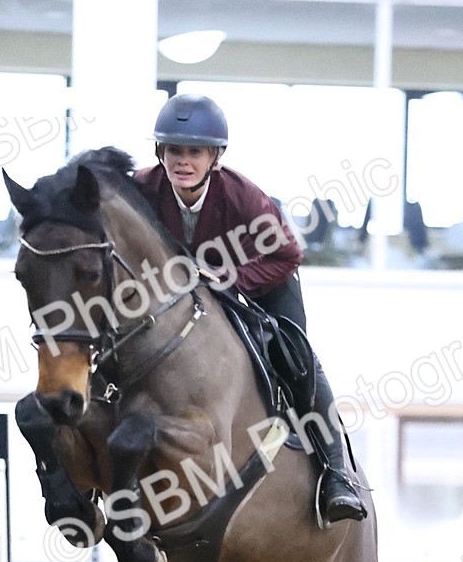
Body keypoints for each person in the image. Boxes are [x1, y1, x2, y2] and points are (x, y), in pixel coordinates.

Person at [136, 93, 366, 524]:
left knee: (296, 357)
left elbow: (287, 255)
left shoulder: (242, 196)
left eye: (194, 152)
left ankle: (336, 473)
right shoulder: (142, 188)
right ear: (160, 153)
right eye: (174, 151)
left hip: (263, 278)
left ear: (215, 158)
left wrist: (234, 280)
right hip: (183, 291)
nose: (182, 161)